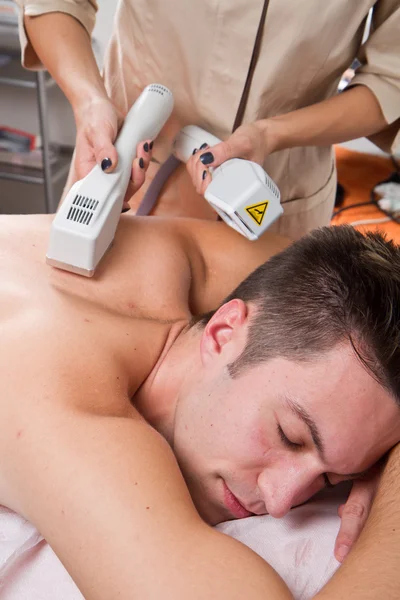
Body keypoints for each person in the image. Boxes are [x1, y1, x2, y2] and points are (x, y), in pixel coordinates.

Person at [0, 206, 400, 598]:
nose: (280, 502)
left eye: (329, 479)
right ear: (223, 333)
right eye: (289, 436)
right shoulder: (55, 398)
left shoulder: (187, 263)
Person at [14, 1, 400, 237]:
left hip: (278, 192)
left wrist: (271, 135)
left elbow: (390, 81)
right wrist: (89, 101)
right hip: (125, 164)